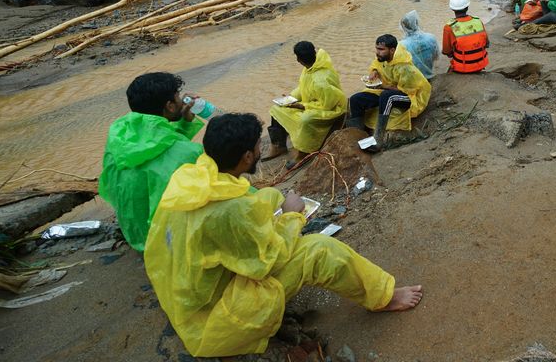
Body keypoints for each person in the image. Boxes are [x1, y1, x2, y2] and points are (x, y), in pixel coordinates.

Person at [144, 113, 422, 358]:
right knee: (320, 251)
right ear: (247, 158)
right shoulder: (229, 212)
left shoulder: (191, 178)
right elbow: (268, 262)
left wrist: (272, 201)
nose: (260, 147)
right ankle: (383, 298)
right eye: (257, 145)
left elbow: (240, 207)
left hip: (183, 299)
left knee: (269, 196)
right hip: (213, 321)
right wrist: (292, 216)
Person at [98, 72, 204, 251]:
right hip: (164, 244)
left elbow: (157, 146)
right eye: (177, 98)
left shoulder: (119, 134)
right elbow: (172, 153)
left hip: (135, 234)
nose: (181, 101)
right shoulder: (188, 153)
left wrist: (184, 123)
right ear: (170, 106)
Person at [348, 34, 431, 151]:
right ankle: (356, 135)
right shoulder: (384, 59)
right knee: (356, 99)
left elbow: (407, 90)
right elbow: (376, 64)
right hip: (389, 90)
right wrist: (374, 71)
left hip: (411, 97)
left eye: (381, 49)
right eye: (377, 49)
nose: (377, 52)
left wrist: (382, 86)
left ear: (392, 50)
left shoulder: (404, 67)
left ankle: (378, 139)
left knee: (387, 97)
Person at [266, 41, 346, 163]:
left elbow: (327, 105)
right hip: (314, 104)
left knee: (305, 119)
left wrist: (302, 105)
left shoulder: (321, 81)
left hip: (332, 109)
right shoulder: (310, 68)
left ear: (299, 59)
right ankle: (278, 146)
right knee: (277, 109)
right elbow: (303, 87)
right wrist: (291, 97)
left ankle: (303, 151)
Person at [442, 0, 489, 73]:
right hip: (481, 64)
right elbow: (487, 44)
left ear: (452, 9)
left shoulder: (449, 27)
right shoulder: (478, 21)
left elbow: (447, 51)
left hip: (462, 67)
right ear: (467, 7)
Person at [399, 10, 437, 79]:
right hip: (429, 74)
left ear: (403, 27)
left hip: (414, 79)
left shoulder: (402, 45)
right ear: (417, 23)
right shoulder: (431, 37)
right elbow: (436, 56)